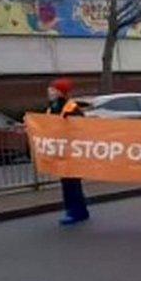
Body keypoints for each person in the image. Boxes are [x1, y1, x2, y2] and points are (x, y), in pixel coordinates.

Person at [46, 78, 90, 225]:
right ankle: (77, 210)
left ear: (60, 92)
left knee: (72, 183)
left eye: (52, 89)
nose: (49, 92)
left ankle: (76, 211)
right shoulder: (53, 106)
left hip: (71, 150)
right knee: (67, 182)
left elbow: (79, 126)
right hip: (61, 150)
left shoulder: (70, 107)